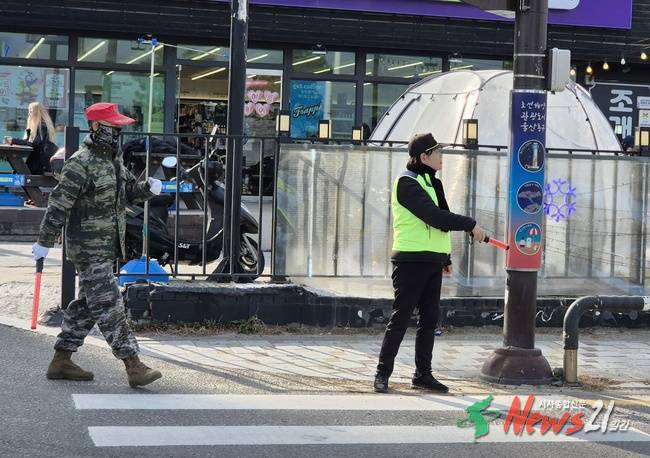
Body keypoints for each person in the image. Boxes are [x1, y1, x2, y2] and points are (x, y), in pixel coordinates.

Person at [31, 102, 164, 388]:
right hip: (87, 248)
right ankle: (133, 365)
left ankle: (61, 360)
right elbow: (59, 204)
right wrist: (44, 241)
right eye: (112, 126)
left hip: (106, 246)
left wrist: (147, 188)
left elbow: (128, 192)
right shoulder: (80, 163)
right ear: (95, 126)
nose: (117, 132)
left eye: (118, 127)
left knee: (88, 305)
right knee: (109, 302)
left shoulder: (113, 160)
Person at [374, 133, 487, 394]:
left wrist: (445, 258)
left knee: (429, 321)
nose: (441, 156)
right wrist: (470, 224)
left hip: (432, 261)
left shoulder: (433, 183)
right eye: (437, 152)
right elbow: (434, 217)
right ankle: (382, 373)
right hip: (410, 260)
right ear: (424, 157)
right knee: (401, 318)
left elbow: (441, 221)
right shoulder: (406, 183)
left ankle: (423, 375)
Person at [7, 102, 58, 175]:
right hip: (34, 162)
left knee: (18, 173)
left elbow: (34, 144)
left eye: (31, 112)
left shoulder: (42, 126)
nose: (29, 114)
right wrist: (15, 141)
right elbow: (28, 142)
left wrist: (14, 141)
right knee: (16, 172)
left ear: (37, 113)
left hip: (38, 164)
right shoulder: (36, 127)